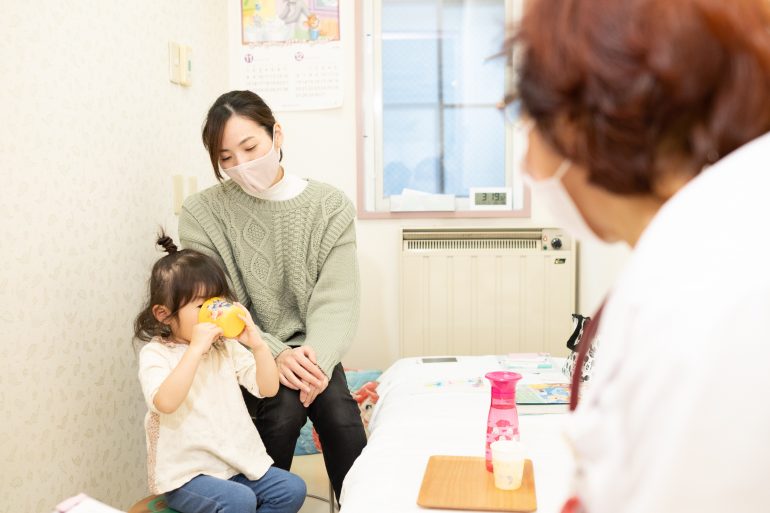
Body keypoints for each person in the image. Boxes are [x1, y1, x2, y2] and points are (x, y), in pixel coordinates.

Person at [509, 0, 770, 512]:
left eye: (526, 119)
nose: (526, 158)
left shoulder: (704, 294)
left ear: (575, 121)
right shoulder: (712, 232)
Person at [179, 90, 366, 502]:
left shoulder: (329, 206)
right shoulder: (201, 213)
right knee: (281, 413)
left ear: (277, 134)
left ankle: (362, 505)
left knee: (340, 415)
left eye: (250, 147)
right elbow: (213, 303)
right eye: (226, 158)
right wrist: (273, 351)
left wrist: (312, 361)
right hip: (245, 348)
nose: (241, 165)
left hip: (313, 350)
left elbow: (338, 300)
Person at [134, 234, 306, 513]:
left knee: (291, 489)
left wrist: (258, 344)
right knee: (239, 501)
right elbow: (165, 402)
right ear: (164, 315)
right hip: (187, 476)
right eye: (202, 307)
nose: (214, 313)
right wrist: (195, 350)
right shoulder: (156, 354)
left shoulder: (224, 347)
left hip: (232, 465)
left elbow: (268, 389)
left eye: (218, 302)